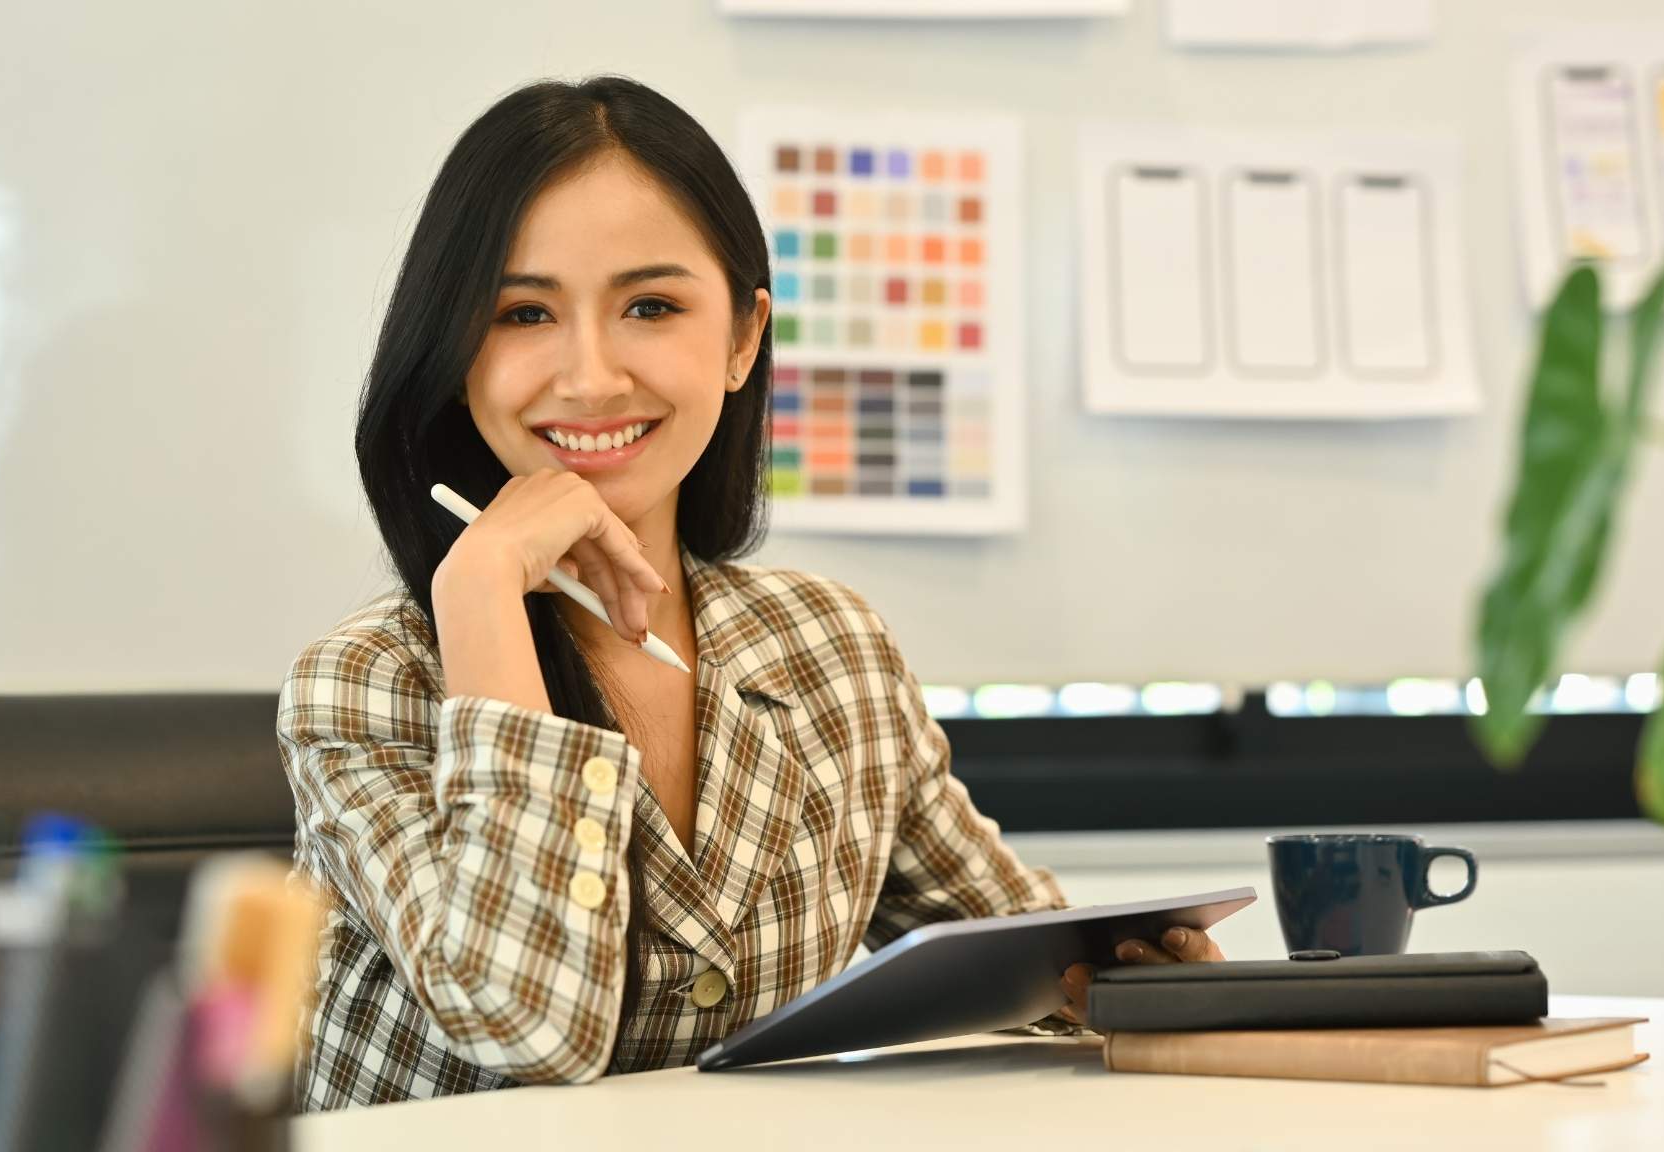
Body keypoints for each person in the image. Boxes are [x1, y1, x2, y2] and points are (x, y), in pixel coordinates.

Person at [275, 75, 1224, 1111]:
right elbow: (523, 1024)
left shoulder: (827, 647)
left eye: (649, 306)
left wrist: (1135, 983)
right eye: (522, 312)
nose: (589, 376)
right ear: (456, 355)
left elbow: (1025, 963)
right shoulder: (365, 683)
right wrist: (483, 591)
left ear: (740, 338)